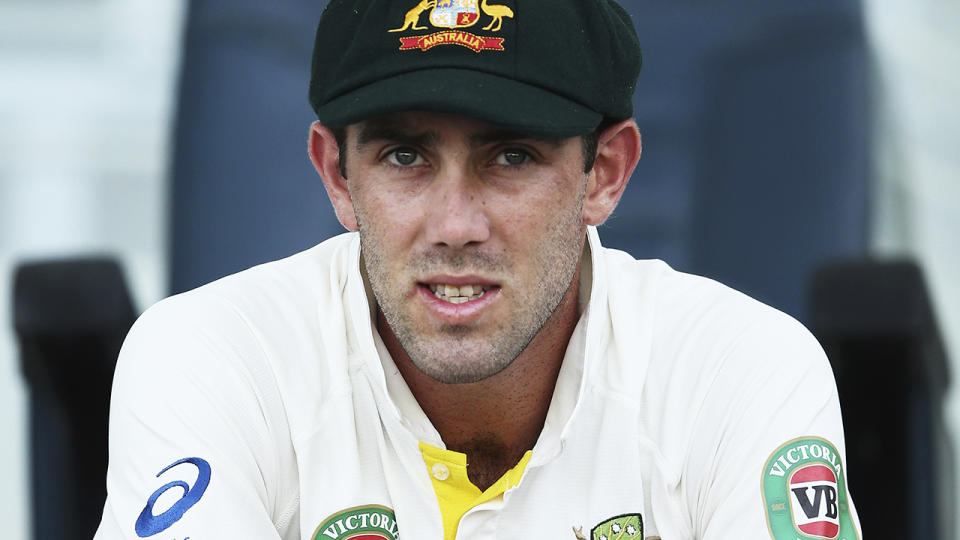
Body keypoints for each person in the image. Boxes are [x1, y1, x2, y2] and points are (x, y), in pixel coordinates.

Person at [96, 0, 862, 539]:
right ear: (336, 173)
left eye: (512, 155)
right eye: (405, 156)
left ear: (605, 173)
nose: (456, 226)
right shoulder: (203, 358)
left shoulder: (746, 370)